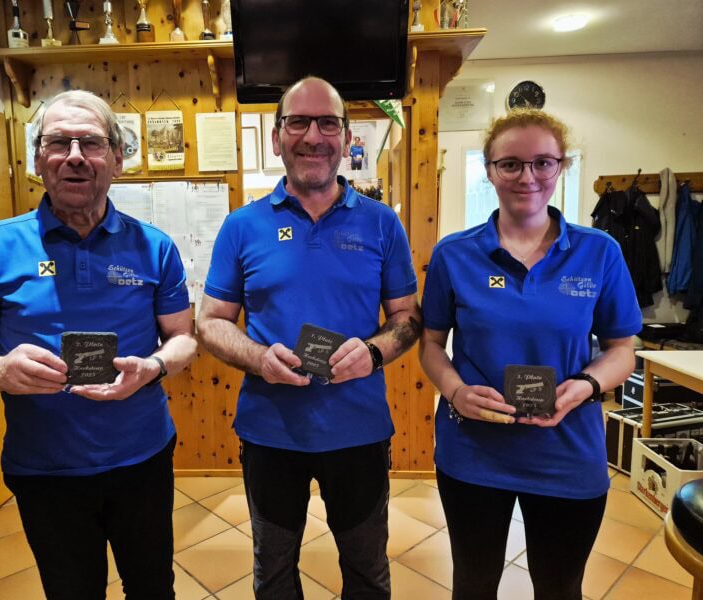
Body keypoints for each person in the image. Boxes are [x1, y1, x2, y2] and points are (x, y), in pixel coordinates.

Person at [0, 90, 196, 600]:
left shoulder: (155, 246)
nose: (74, 155)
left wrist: (153, 367)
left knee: (153, 588)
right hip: (44, 468)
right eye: (58, 142)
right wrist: (0, 371)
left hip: (141, 459)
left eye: (91, 143)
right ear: (38, 160)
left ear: (117, 160)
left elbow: (183, 339)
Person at [197, 76, 421, 599]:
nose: (313, 136)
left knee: (367, 574)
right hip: (270, 433)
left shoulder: (382, 224)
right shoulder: (242, 226)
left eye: (327, 123)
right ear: (277, 137)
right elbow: (209, 322)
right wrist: (258, 358)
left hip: (359, 431)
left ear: (345, 136)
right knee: (274, 576)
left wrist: (373, 352)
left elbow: (408, 317)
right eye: (298, 122)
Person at [419, 109, 642, 600]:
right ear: (489, 170)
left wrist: (585, 384)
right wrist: (455, 391)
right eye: (511, 164)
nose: (528, 177)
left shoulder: (599, 252)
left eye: (543, 162)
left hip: (567, 454)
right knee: (474, 585)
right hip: (474, 454)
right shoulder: (454, 254)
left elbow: (622, 350)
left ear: (561, 165)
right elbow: (431, 344)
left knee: (560, 588)